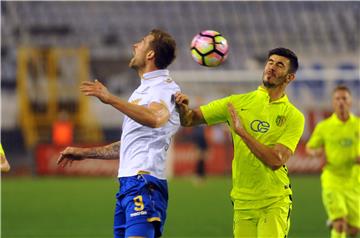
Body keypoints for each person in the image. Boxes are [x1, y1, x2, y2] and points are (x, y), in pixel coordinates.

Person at [57, 29, 180, 238]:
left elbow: (155, 119)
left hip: (144, 182)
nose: (134, 45)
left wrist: (110, 98)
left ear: (151, 54)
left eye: (141, 42)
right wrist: (85, 153)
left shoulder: (162, 88)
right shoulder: (144, 90)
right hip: (129, 183)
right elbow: (129, 145)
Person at [175, 47, 305, 237]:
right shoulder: (237, 103)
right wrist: (182, 108)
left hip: (274, 201)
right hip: (242, 201)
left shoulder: (294, 116)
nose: (271, 67)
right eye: (270, 62)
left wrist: (242, 133)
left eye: (279, 65)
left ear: (289, 77)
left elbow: (277, 160)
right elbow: (189, 120)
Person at [306, 85, 359, 238]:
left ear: (350, 101)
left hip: (354, 181)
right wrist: (316, 152)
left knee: (354, 230)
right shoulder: (324, 127)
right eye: (337, 99)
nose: (341, 102)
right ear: (333, 103)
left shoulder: (358, 125)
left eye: (344, 98)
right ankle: (336, 222)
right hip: (332, 179)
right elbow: (310, 147)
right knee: (340, 224)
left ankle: (335, 223)